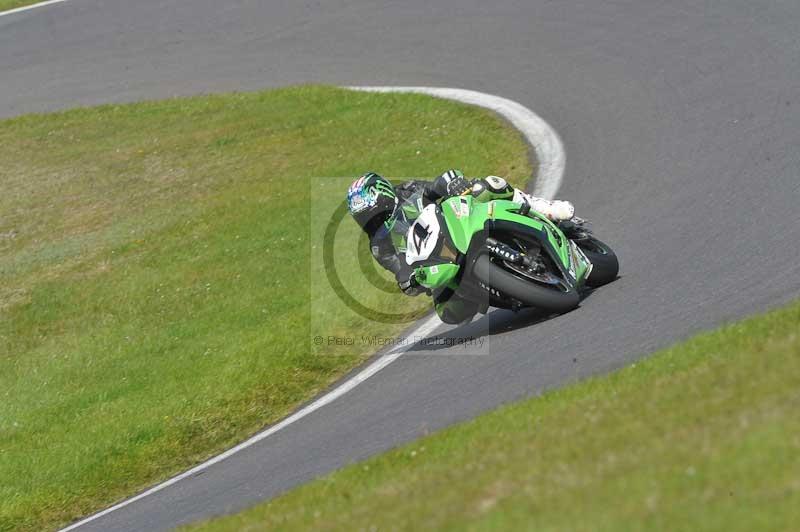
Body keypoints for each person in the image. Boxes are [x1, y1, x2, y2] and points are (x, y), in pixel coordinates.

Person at [346, 170, 577, 324]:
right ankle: (507, 292)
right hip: (441, 264)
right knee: (449, 313)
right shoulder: (380, 247)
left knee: (486, 186)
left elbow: (437, 186)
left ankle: (544, 207)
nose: (372, 222)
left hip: (458, 227)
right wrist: (410, 283)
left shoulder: (407, 190)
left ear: (385, 197)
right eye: (365, 219)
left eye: (374, 214)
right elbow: (402, 273)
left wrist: (452, 183)